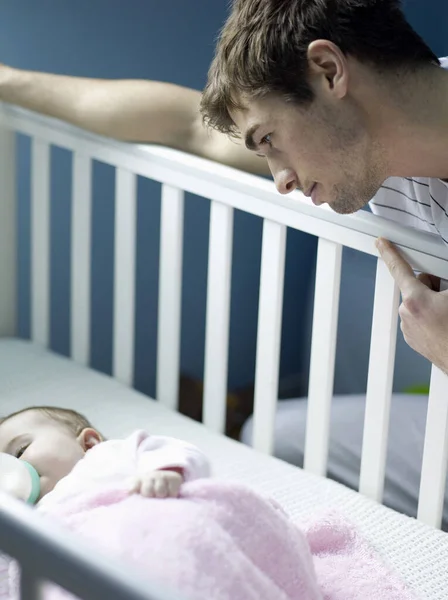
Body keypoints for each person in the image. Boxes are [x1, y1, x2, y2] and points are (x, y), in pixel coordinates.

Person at [0, 0, 446, 520]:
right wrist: (7, 81)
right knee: (275, 435)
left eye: (270, 139)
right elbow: (186, 126)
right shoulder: (381, 149)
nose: (282, 181)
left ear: (328, 70)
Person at [0, 405, 210, 502]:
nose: (13, 470)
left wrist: (165, 472)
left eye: (19, 451)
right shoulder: (25, 518)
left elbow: (176, 450)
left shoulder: (110, 456)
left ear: (89, 443)